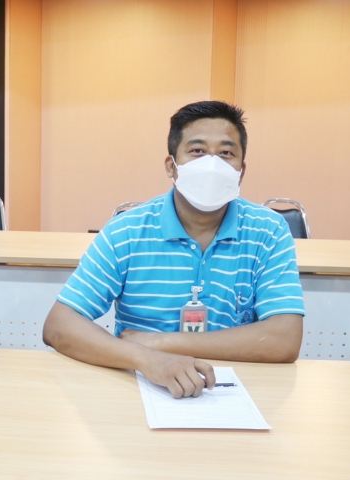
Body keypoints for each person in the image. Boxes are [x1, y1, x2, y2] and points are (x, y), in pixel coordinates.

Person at [43, 101, 305, 398]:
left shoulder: (268, 231)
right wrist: (145, 358)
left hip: (237, 392)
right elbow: (59, 325)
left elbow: (285, 339)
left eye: (226, 153)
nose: (212, 164)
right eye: (197, 151)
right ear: (172, 166)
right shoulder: (126, 231)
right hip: (140, 387)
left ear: (241, 171)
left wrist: (160, 343)